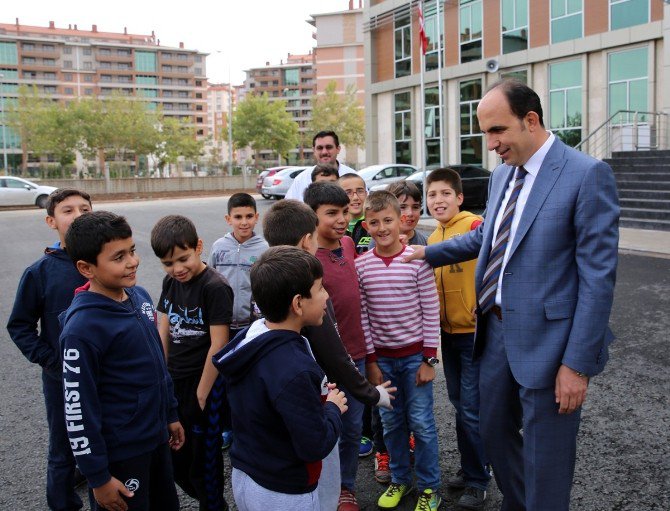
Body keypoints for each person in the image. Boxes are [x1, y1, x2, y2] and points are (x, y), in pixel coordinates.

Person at [405, 80, 619, 511]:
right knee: (491, 430)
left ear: (531, 120)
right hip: (495, 334)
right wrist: (427, 253)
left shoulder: (585, 174)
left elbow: (598, 278)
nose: (491, 145)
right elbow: (488, 236)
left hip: (551, 342)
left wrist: (576, 364)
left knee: (547, 456)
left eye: (497, 131)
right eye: (485, 133)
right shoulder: (504, 175)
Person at [262, 199, 396, 511]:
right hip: (322, 388)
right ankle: (333, 495)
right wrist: (371, 394)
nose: (325, 295)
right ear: (307, 241)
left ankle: (337, 491)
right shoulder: (306, 283)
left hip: (280, 417)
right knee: (325, 445)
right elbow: (335, 353)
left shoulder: (266, 273)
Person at [60, 211, 184, 511]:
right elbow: (78, 410)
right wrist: (98, 477)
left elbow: (157, 364)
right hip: (122, 453)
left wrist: (170, 413)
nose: (132, 261)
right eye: (118, 257)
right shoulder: (82, 329)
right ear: (86, 268)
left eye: (131, 251)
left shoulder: (138, 296)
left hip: (156, 439)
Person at [212, 246, 348, 511]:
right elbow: (315, 444)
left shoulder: (252, 338)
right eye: (320, 289)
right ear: (298, 304)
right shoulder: (295, 368)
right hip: (284, 491)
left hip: (248, 475)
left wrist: (314, 397)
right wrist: (332, 408)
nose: (327, 296)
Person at [356, 191, 442, 511]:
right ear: (366, 226)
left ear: (401, 221)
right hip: (383, 362)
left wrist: (429, 359)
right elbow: (363, 316)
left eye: (388, 220)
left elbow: (430, 310)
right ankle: (400, 478)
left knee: (421, 423)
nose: (382, 228)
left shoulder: (416, 261)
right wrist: (371, 361)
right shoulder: (361, 267)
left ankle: (431, 487)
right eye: (375, 222)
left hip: (414, 358)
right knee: (391, 424)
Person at [7, 188, 92, 511]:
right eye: (68, 210)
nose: (78, 215)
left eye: (85, 208)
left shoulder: (104, 262)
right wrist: (52, 361)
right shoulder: (40, 272)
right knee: (63, 449)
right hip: (62, 381)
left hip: (105, 377)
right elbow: (20, 326)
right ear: (51, 221)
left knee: (105, 439)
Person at [151, 215, 233, 511]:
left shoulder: (214, 286)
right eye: (168, 263)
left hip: (205, 385)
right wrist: (161, 374)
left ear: (199, 247)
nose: (177, 269)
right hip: (174, 382)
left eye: (183, 259)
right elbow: (163, 328)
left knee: (204, 461)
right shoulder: (169, 282)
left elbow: (219, 343)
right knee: (176, 455)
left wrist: (202, 393)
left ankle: (213, 505)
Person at [304, 183, 374, 511]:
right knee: (324, 427)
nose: (341, 219)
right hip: (325, 362)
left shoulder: (348, 244)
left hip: (356, 355)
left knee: (352, 428)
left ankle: (346, 487)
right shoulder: (307, 259)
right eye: (331, 213)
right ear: (311, 217)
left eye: (344, 211)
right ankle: (321, 487)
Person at [425, 168, 489, 509]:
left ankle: (480, 479)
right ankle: (470, 468)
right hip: (448, 335)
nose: (438, 200)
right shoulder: (433, 239)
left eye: (445, 194)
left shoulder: (474, 226)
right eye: (432, 195)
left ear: (460, 198)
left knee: (471, 410)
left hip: (475, 335)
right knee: (460, 407)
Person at [208, 193, 268, 337]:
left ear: (257, 217)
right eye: (238, 217)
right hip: (221, 323)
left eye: (249, 216)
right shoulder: (218, 247)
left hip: (253, 325)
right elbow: (209, 280)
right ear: (228, 219)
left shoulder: (265, 249)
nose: (244, 222)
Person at [285, 130, 356, 201]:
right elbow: (288, 208)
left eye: (329, 147)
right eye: (319, 148)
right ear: (314, 150)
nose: (324, 152)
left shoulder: (353, 177)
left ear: (338, 149)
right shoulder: (300, 180)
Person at [339, 173, 373, 255]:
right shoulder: (335, 225)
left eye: (360, 191)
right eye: (348, 193)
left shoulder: (375, 222)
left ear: (366, 194)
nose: (355, 197)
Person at [386, 180, 428, 246]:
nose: (410, 213)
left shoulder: (424, 241)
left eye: (415, 207)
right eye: (402, 207)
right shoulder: (379, 243)